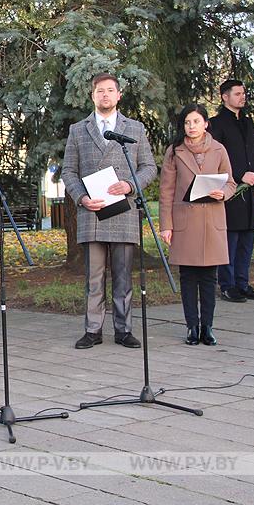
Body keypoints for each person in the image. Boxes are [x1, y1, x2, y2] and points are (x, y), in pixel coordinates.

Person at [61, 73, 157, 350]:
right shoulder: (78, 130)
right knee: (94, 277)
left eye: (110, 90)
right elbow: (68, 170)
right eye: (99, 91)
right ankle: (93, 330)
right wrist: (80, 197)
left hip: (122, 211)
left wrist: (129, 185)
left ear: (119, 95)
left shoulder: (135, 129)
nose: (105, 95)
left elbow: (149, 167)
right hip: (92, 212)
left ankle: (123, 329)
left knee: (123, 275)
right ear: (92, 96)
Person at [159, 104, 237, 345]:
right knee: (188, 277)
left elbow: (231, 183)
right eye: (186, 123)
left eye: (195, 121)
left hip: (211, 219)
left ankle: (208, 327)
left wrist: (222, 193)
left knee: (209, 277)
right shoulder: (175, 151)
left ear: (205, 123)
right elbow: (166, 190)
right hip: (185, 220)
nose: (191, 127)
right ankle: (192, 326)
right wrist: (166, 225)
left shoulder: (219, 149)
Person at [212, 79, 254, 302]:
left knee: (247, 239)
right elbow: (217, 158)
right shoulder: (217, 124)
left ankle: (243, 283)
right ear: (225, 97)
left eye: (243, 93)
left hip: (250, 189)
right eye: (237, 94)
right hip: (231, 190)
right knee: (231, 239)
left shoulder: (247, 122)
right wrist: (237, 176)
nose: (242, 97)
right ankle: (228, 284)